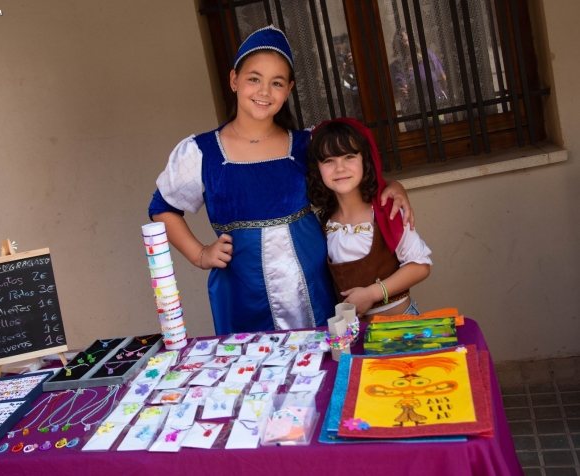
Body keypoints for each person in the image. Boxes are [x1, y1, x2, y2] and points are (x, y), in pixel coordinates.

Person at [148, 25, 414, 334]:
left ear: (288, 89)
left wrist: (393, 185)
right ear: (234, 80)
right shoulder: (201, 153)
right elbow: (162, 206)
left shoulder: (307, 144)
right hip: (244, 294)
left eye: (276, 83)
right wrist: (200, 254)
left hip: (317, 287)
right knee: (256, 372)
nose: (264, 91)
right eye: (254, 79)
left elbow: (352, 173)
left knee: (324, 366)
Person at [306, 118, 431, 319]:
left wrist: (372, 293)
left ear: (365, 160)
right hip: (354, 333)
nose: (340, 168)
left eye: (349, 157)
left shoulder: (386, 211)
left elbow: (420, 265)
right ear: (316, 168)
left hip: (399, 326)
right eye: (328, 160)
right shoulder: (324, 222)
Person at [389, 28, 449, 131]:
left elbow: (444, 79)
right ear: (396, 46)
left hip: (436, 112)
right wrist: (399, 95)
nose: (404, 45)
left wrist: (449, 104)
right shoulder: (394, 68)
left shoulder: (428, 56)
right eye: (400, 43)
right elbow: (391, 100)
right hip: (414, 120)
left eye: (406, 41)